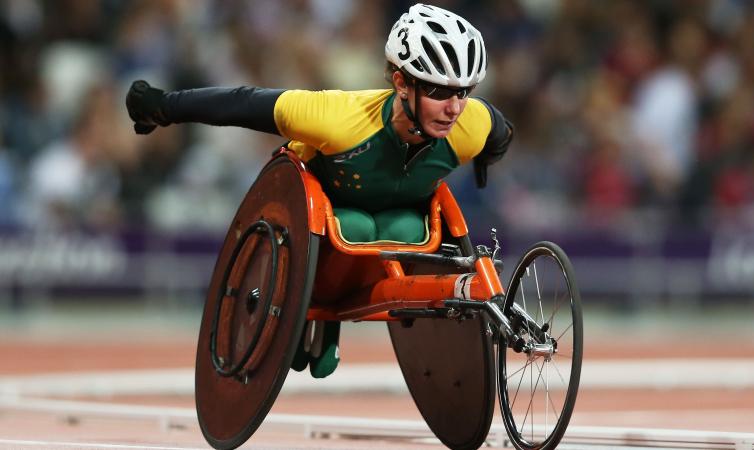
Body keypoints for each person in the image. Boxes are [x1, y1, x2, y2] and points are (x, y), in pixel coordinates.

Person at [126, 3, 513, 378]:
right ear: (401, 83)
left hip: (395, 218)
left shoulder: (471, 125)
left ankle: (333, 306)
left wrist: (483, 164)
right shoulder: (338, 119)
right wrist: (162, 107)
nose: (455, 108)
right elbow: (242, 104)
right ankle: (318, 304)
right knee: (357, 226)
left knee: (411, 232)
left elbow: (499, 134)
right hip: (325, 221)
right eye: (440, 93)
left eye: (464, 92)